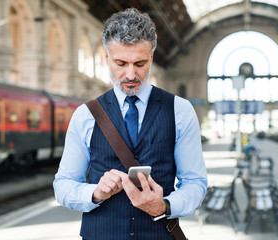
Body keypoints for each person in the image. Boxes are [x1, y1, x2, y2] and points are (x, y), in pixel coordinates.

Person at [53, 8, 207, 240]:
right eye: (121, 63)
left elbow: (195, 182)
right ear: (107, 58)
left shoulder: (180, 110)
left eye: (140, 63)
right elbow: (63, 185)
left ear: (152, 58)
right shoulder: (86, 114)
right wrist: (95, 192)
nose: (130, 74)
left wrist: (165, 205)